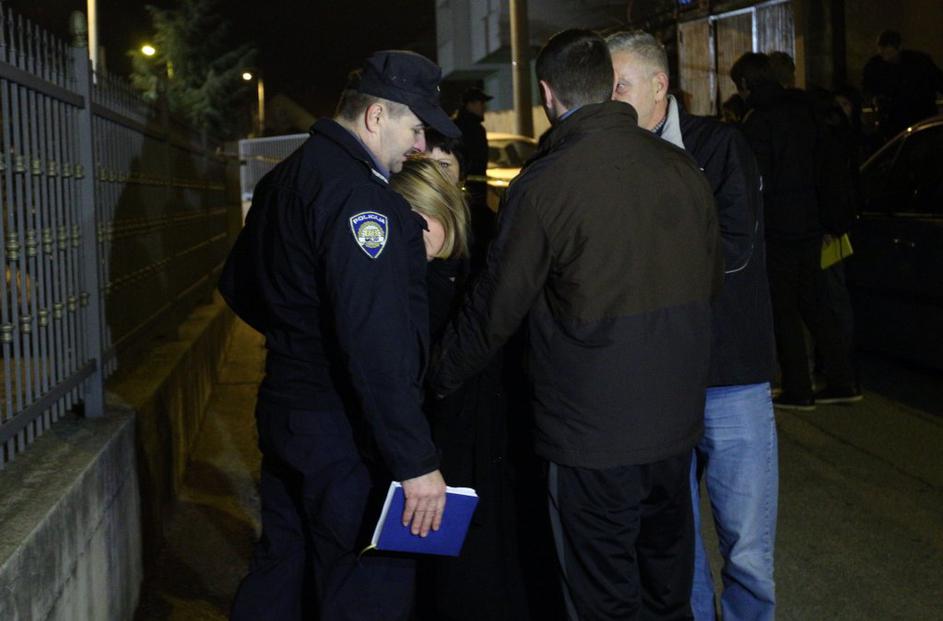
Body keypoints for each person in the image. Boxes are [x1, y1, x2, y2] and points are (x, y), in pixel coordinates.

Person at [429, 29, 723, 620]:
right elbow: (710, 281)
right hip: (674, 432)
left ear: (548, 94)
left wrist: (432, 380)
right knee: (667, 595)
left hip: (591, 440)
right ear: (610, 86)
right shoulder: (682, 169)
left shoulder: (545, 186)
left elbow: (493, 313)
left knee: (601, 602)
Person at [217, 50, 461, 621]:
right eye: (415, 128)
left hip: (287, 409)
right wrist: (415, 462)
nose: (420, 145)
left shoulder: (284, 180)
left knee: (283, 570)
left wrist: (302, 336)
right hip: (344, 431)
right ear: (375, 116)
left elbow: (239, 286)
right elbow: (376, 342)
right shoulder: (362, 199)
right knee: (363, 586)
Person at [608, 31, 778, 620]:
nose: (609, 99)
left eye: (619, 86)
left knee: (747, 549)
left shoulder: (719, 145)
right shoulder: (610, 157)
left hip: (731, 377)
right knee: (674, 548)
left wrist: (636, 268)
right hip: (658, 386)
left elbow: (733, 249)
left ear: (659, 86)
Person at [391, 157, 531, 620]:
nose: (413, 233)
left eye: (421, 218)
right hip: (442, 454)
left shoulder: (484, 268)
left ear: (446, 210)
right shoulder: (405, 282)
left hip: (492, 449)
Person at [730, 52, 861, 409]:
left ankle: (798, 388)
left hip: (778, 226)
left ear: (745, 84)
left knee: (784, 309)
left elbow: (757, 179)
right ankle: (842, 380)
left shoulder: (758, 120)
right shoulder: (805, 110)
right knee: (817, 304)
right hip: (811, 222)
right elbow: (827, 165)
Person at [862, 30, 943, 141]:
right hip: (896, 122)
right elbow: (867, 90)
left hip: (919, 119)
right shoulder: (875, 67)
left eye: (887, 50)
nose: (882, 53)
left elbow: (938, 81)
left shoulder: (920, 63)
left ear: (898, 48)